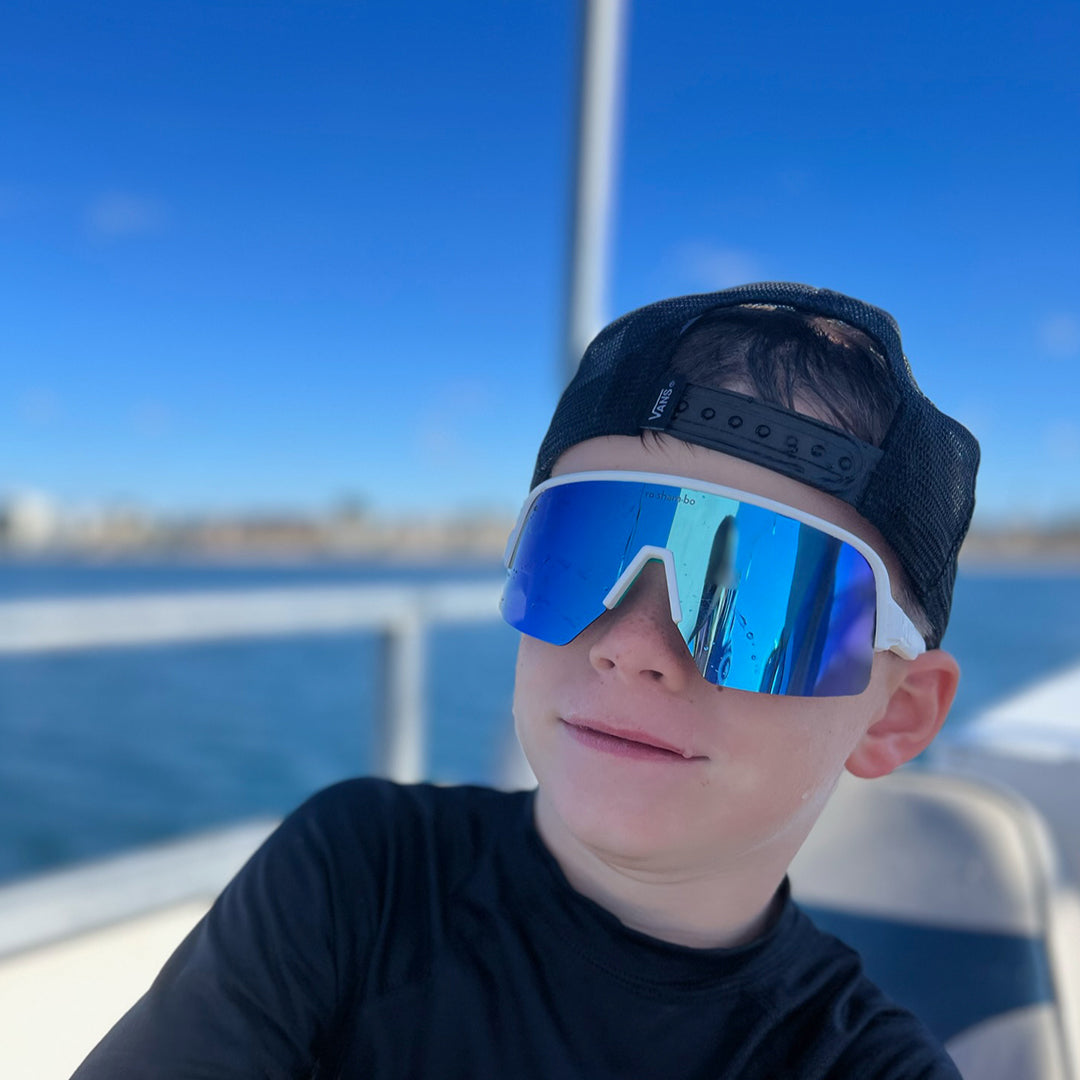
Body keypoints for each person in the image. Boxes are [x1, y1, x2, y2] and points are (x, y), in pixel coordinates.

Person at [73, 282, 979, 1078]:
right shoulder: (358, 870)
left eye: (757, 600)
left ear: (894, 715)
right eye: (583, 552)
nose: (633, 645)